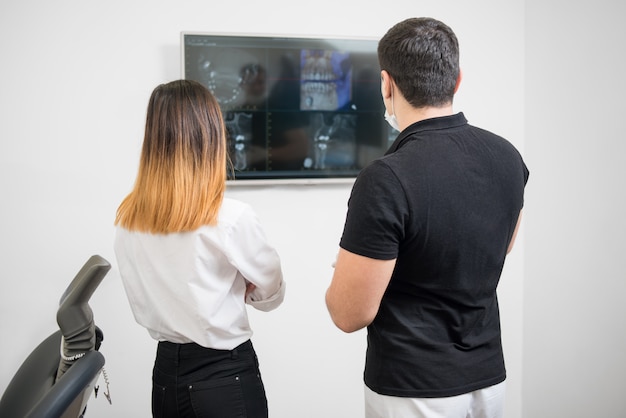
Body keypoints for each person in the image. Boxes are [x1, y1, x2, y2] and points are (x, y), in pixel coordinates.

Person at [325, 17, 529, 418]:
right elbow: (496, 248)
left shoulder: (385, 177)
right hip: (488, 382)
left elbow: (349, 315)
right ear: (457, 80)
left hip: (413, 391)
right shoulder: (508, 157)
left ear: (386, 84)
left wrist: (349, 274)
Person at [114, 79, 285, 418]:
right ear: (211, 136)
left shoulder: (128, 217)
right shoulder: (232, 217)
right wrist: (244, 289)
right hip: (224, 377)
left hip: (165, 378)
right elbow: (272, 293)